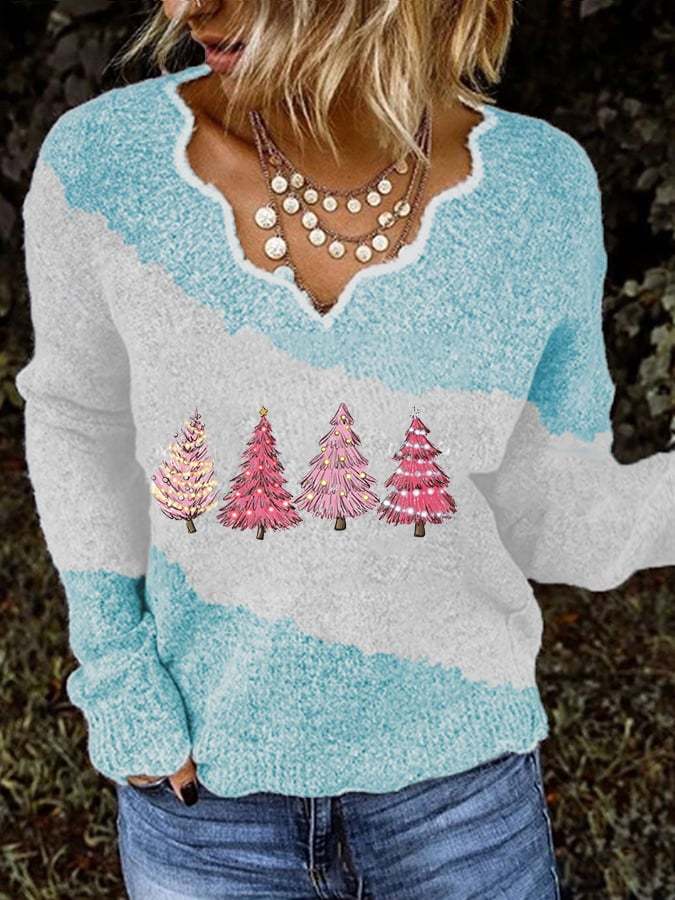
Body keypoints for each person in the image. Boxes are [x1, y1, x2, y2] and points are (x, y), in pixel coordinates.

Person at [15, 0, 675, 897]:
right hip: (208, 815)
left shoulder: (538, 191)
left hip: (461, 809)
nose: (186, 7)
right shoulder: (104, 166)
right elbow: (79, 421)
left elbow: (553, 510)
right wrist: (120, 680)